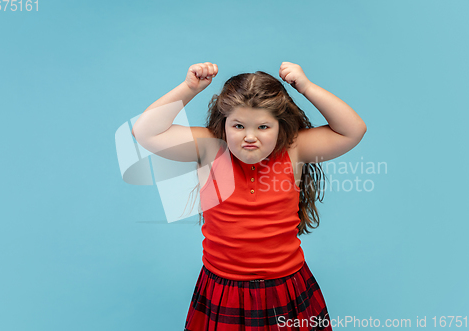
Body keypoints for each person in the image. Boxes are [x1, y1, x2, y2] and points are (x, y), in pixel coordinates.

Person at [132, 62, 367, 330]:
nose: (250, 137)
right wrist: (189, 88)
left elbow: (353, 129)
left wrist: (307, 87)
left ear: (281, 126)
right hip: (222, 288)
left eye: (264, 127)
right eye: (239, 126)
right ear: (224, 123)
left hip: (286, 286)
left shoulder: (293, 149)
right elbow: (145, 132)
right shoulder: (210, 148)